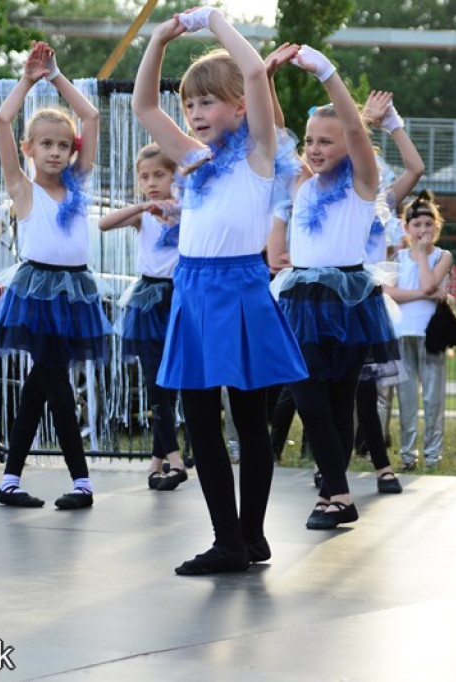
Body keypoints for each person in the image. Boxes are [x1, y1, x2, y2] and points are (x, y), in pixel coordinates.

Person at [133, 9, 308, 574]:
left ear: (238, 108)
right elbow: (144, 108)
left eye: (207, 102)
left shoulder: (260, 155)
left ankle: (247, 538)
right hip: (193, 287)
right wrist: (159, 38)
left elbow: (255, 74)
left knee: (249, 420)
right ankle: (229, 537)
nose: (195, 113)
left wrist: (215, 22)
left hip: (239, 285)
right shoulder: (193, 160)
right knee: (201, 419)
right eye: (190, 104)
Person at [267, 46, 400, 530]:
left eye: (327, 140)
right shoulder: (302, 183)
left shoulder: (363, 183)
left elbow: (355, 129)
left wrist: (326, 73)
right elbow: (276, 136)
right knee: (310, 398)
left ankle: (335, 494)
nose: (315, 149)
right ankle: (336, 492)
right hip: (301, 299)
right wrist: (264, 80)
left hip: (345, 301)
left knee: (337, 402)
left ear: (349, 142)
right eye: (311, 141)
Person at [0, 41, 110, 510]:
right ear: (29, 149)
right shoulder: (22, 188)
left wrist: (57, 75)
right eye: (46, 144)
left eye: (63, 145)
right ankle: (81, 480)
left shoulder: (77, 185)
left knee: (40, 387)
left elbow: (93, 120)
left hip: (74, 290)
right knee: (55, 385)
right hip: (38, 292)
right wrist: (28, 80)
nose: (56, 152)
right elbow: (2, 121)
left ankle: (9, 481)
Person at [99, 143, 188, 490]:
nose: (152, 182)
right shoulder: (142, 216)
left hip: (181, 299)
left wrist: (176, 208)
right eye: (145, 177)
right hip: (149, 302)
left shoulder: (187, 211)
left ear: (175, 175)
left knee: (173, 386)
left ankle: (155, 462)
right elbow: (105, 224)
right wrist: (143, 206)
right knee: (156, 385)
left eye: (159, 175)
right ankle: (176, 460)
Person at [354, 89, 425, 494]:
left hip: (366, 300)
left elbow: (416, 168)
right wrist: (360, 119)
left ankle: (381, 465)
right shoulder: (335, 195)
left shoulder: (383, 202)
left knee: (366, 388)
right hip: (331, 300)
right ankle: (332, 464)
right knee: (330, 389)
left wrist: (392, 122)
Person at [384, 190, 453, 471]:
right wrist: (426, 294)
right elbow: (390, 292)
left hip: (430, 335)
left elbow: (428, 284)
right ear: (406, 227)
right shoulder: (398, 258)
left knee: (433, 397)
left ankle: (433, 455)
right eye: (417, 225)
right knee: (407, 397)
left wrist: (423, 256)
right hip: (403, 333)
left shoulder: (442, 256)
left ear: (437, 226)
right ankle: (408, 454)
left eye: (428, 225)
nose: (423, 230)